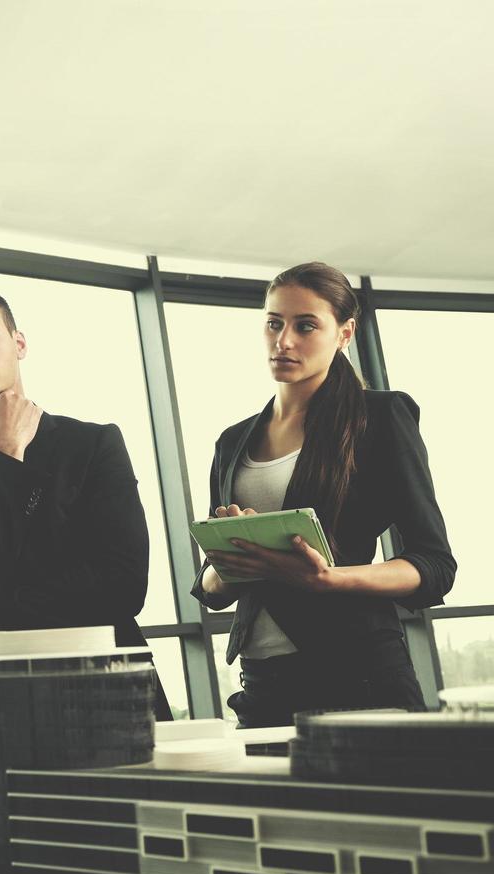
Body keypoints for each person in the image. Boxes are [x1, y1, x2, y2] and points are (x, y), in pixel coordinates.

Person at [0, 286, 173, 784]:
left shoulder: (93, 444)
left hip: (97, 686)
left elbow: (122, 586)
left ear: (18, 343)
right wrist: (5, 451)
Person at [193, 261, 455, 727]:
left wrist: (329, 579)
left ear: (345, 333)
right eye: (274, 323)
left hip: (357, 674)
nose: (284, 340)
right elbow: (211, 588)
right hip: (262, 681)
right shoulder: (232, 441)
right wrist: (230, 567)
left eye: (305, 325)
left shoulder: (380, 418)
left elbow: (435, 565)